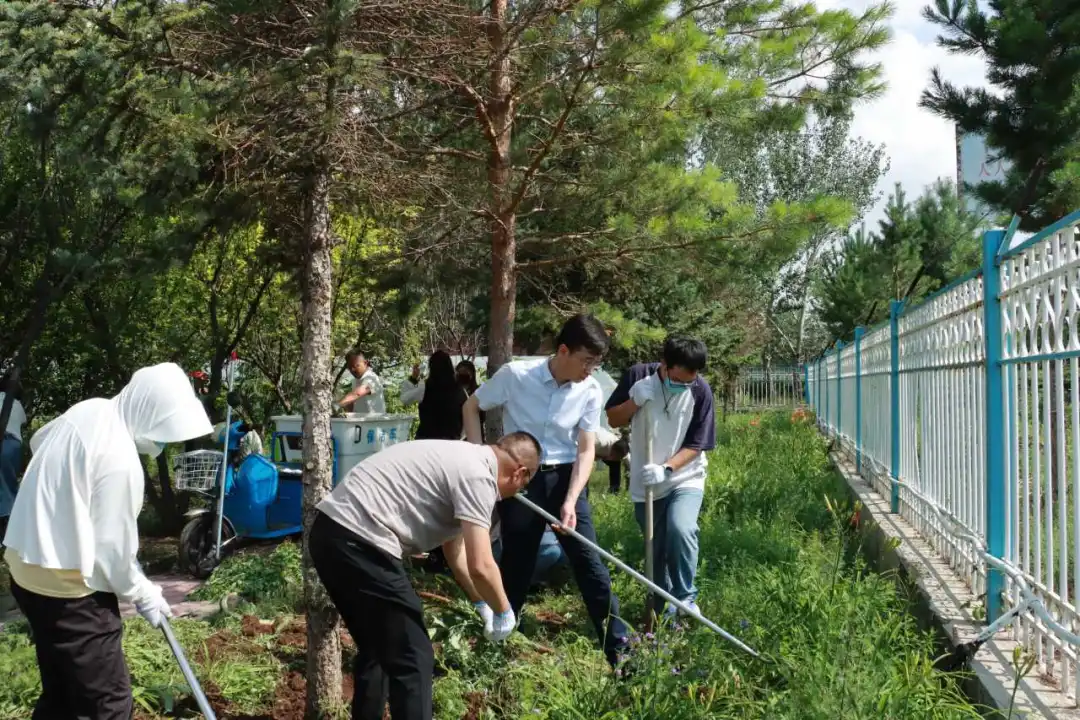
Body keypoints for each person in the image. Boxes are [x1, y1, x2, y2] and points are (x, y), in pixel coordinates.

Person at [2, 362, 213, 720]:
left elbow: (40, 441)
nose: (162, 440)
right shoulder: (119, 460)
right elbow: (112, 553)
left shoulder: (91, 409)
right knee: (109, 703)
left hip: (26, 571)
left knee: (63, 690)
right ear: (148, 412)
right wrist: (143, 593)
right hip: (67, 590)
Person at [310, 432, 541, 720]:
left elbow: (455, 552)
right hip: (362, 539)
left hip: (331, 534)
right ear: (520, 473)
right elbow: (482, 565)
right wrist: (505, 611)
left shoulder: (462, 458)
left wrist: (480, 602)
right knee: (414, 655)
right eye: (523, 486)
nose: (515, 493)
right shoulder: (479, 476)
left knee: (379, 647)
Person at [462, 313, 630, 667]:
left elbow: (586, 449)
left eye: (596, 363)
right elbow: (471, 406)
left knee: (589, 563)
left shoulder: (589, 389)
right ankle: (501, 645)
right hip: (522, 480)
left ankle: (621, 653)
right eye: (586, 361)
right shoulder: (516, 375)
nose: (590, 370)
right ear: (564, 350)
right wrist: (480, 458)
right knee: (517, 563)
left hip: (567, 479)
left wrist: (570, 501)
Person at [605, 336, 716, 618]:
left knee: (681, 529)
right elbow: (613, 419)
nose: (683, 386)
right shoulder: (638, 376)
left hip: (684, 475)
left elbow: (697, 444)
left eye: (689, 382)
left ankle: (685, 600)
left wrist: (666, 468)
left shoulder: (700, 390)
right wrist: (634, 402)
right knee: (655, 545)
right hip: (646, 481)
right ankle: (659, 603)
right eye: (677, 380)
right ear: (664, 364)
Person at [400, 350, 470, 439]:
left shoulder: (425, 388)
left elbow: (404, 399)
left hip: (426, 440)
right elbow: (468, 420)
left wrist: (413, 378)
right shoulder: (460, 390)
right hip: (451, 441)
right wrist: (458, 437)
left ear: (431, 368)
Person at [0, 374, 26, 542]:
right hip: (14, 446)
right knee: (8, 485)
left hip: (5, 441)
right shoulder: (19, 406)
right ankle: (12, 528)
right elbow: (22, 420)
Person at [338, 350, 386, 414]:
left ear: (365, 363)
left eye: (356, 366)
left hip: (374, 420)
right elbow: (353, 403)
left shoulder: (371, 378)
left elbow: (357, 394)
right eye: (349, 367)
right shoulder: (355, 380)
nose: (352, 370)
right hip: (359, 419)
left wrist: (337, 405)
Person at [455, 359, 484, 438]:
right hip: (457, 434)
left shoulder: (478, 392)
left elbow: (482, 416)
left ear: (472, 374)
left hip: (474, 433)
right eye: (460, 372)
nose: (462, 374)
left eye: (465, 372)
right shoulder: (453, 393)